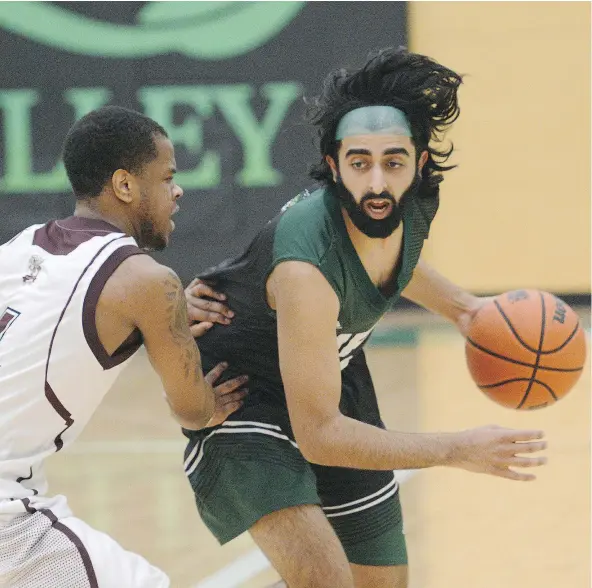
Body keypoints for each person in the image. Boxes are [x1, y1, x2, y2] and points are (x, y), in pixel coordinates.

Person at [182, 48, 547, 588]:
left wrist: (465, 311)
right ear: (333, 166)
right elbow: (321, 435)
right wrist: (456, 448)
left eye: (393, 162)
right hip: (243, 398)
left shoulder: (415, 202)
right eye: (359, 163)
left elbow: (394, 255)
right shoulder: (306, 268)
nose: (377, 182)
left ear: (421, 164)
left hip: (332, 380)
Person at [0, 106, 246, 588]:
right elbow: (193, 411)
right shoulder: (149, 283)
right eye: (167, 177)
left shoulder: (21, 247)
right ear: (126, 186)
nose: (177, 191)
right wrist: (212, 401)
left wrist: (161, 317)